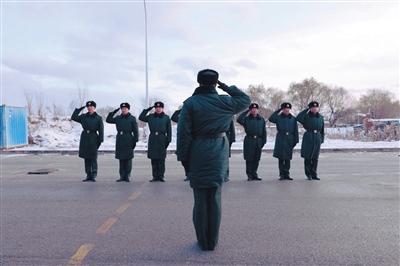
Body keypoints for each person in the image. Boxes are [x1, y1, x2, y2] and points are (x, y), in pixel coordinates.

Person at [177, 69, 250, 251]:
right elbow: (245, 100)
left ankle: (203, 241)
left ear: (198, 82)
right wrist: (226, 87)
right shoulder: (226, 102)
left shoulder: (191, 103)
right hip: (219, 149)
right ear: (215, 83)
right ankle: (213, 241)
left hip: (198, 150)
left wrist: (184, 158)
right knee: (215, 197)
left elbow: (183, 134)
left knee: (200, 198)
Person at [71, 100, 104, 182]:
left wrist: (100, 141)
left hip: (94, 138)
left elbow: (101, 131)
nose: (89, 108)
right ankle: (88, 175)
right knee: (86, 158)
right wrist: (78, 110)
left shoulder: (98, 118)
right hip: (85, 138)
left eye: (91, 107)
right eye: (88, 107)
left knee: (93, 158)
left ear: (94, 108)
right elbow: (73, 117)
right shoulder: (83, 116)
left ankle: (93, 175)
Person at [139, 101, 172, 182]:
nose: (158, 109)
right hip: (153, 139)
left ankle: (161, 176)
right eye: (156, 107)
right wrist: (146, 110)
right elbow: (141, 117)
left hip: (162, 139)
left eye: (159, 107)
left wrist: (168, 141)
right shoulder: (150, 117)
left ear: (162, 108)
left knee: (161, 160)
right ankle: (155, 176)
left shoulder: (166, 118)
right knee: (153, 159)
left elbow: (169, 131)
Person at [106, 102, 139, 182]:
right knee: (121, 159)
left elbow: (135, 131)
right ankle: (122, 176)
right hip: (120, 139)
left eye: (125, 108)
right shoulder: (118, 118)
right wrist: (113, 112)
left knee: (128, 159)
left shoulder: (132, 118)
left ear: (128, 109)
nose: (124, 110)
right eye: (122, 108)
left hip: (128, 139)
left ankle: (127, 175)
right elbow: (108, 120)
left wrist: (135, 141)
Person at [268, 102, 299, 180]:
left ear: (290, 109)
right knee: (281, 158)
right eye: (285, 109)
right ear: (282, 109)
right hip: (281, 139)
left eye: (288, 109)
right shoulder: (278, 117)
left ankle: (287, 174)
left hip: (289, 139)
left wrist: (295, 140)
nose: (286, 110)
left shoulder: (293, 119)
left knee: (288, 158)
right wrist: (279, 110)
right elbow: (271, 118)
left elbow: (296, 130)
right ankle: (282, 174)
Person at [237, 103, 266, 181]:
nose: (254, 110)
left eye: (256, 109)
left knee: (256, 159)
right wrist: (246, 111)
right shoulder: (246, 119)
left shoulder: (261, 119)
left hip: (258, 141)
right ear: (250, 110)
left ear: (258, 110)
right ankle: (249, 175)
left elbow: (264, 132)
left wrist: (263, 142)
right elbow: (239, 119)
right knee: (249, 159)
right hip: (249, 140)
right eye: (252, 109)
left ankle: (254, 174)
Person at [296, 101, 325, 180]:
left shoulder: (321, 117)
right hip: (309, 136)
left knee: (315, 157)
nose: (314, 109)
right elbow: (298, 117)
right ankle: (308, 174)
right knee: (308, 156)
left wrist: (322, 139)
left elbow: (322, 130)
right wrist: (306, 110)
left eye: (316, 107)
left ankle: (314, 174)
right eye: (312, 107)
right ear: (310, 108)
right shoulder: (306, 116)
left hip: (317, 137)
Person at [171, 109, 190, 181]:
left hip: (191, 140)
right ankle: (187, 174)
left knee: (191, 159)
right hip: (182, 141)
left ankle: (190, 175)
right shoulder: (181, 118)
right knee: (183, 159)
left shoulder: (193, 117)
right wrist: (181, 109)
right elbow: (173, 117)